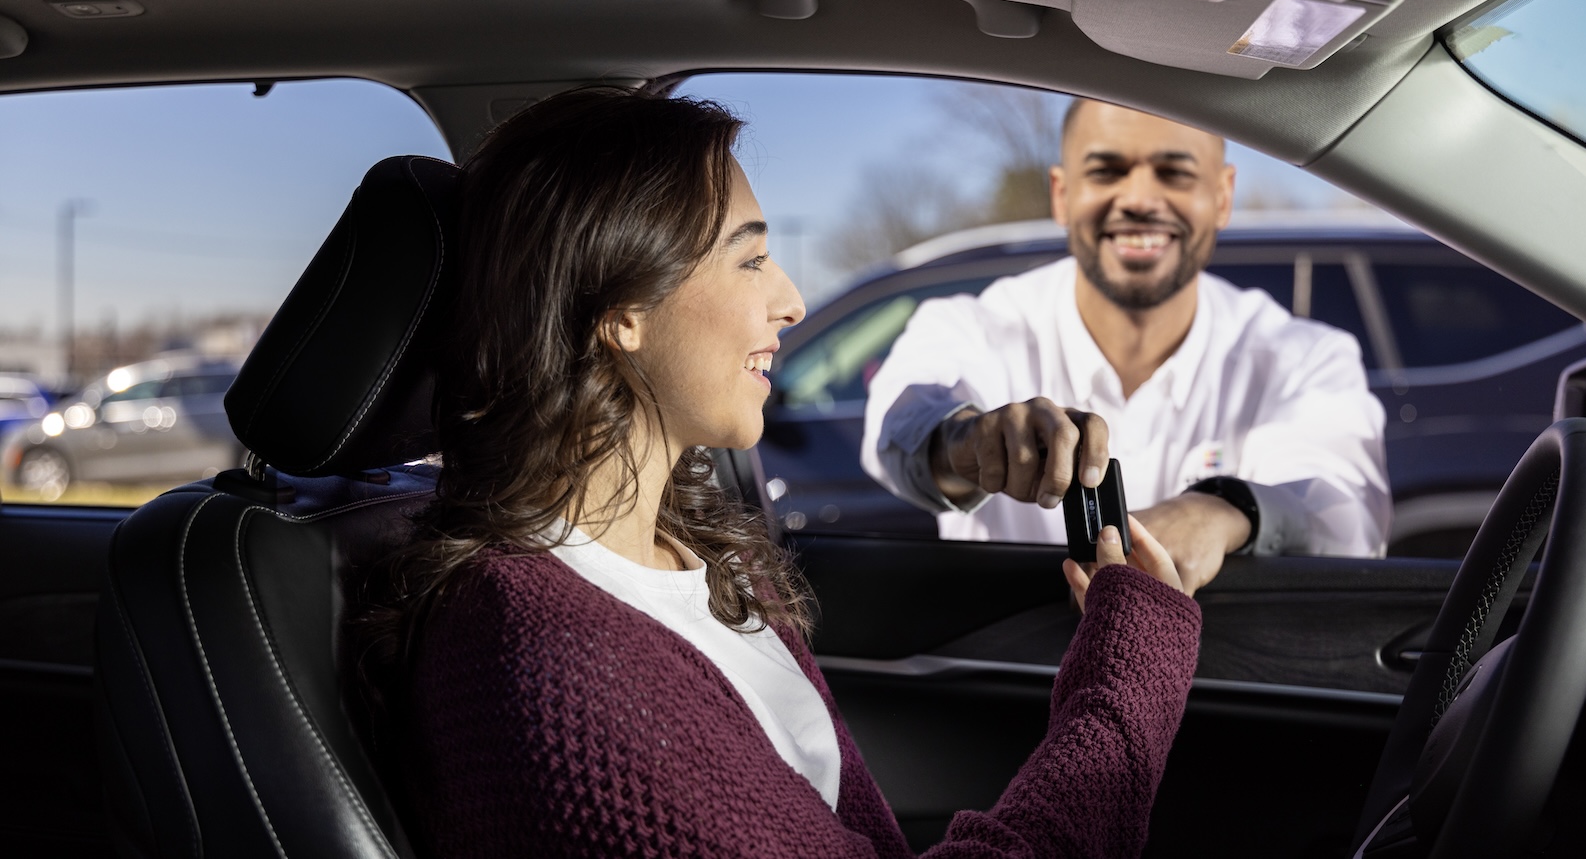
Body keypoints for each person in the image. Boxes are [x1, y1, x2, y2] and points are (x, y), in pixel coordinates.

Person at [354, 87, 1201, 859]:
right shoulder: (563, 675)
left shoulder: (695, 553)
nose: (792, 300)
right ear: (620, 313)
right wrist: (1127, 688)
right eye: (751, 259)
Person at [861, 100, 1390, 592]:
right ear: (1062, 195)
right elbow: (897, 425)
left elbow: (1349, 514)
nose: (1138, 200)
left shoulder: (1301, 355)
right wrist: (966, 443)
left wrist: (1226, 510)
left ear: (1223, 196)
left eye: (1175, 172)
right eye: (1107, 171)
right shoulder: (973, 326)